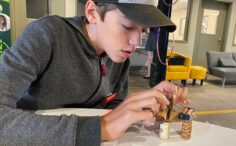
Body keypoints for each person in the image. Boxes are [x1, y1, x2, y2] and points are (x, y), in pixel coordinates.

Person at [0, 0, 189, 145]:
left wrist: (143, 108)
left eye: (144, 30)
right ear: (92, 12)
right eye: (128, 27)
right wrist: (100, 128)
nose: (136, 42)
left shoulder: (118, 56)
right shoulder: (46, 34)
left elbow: (113, 105)